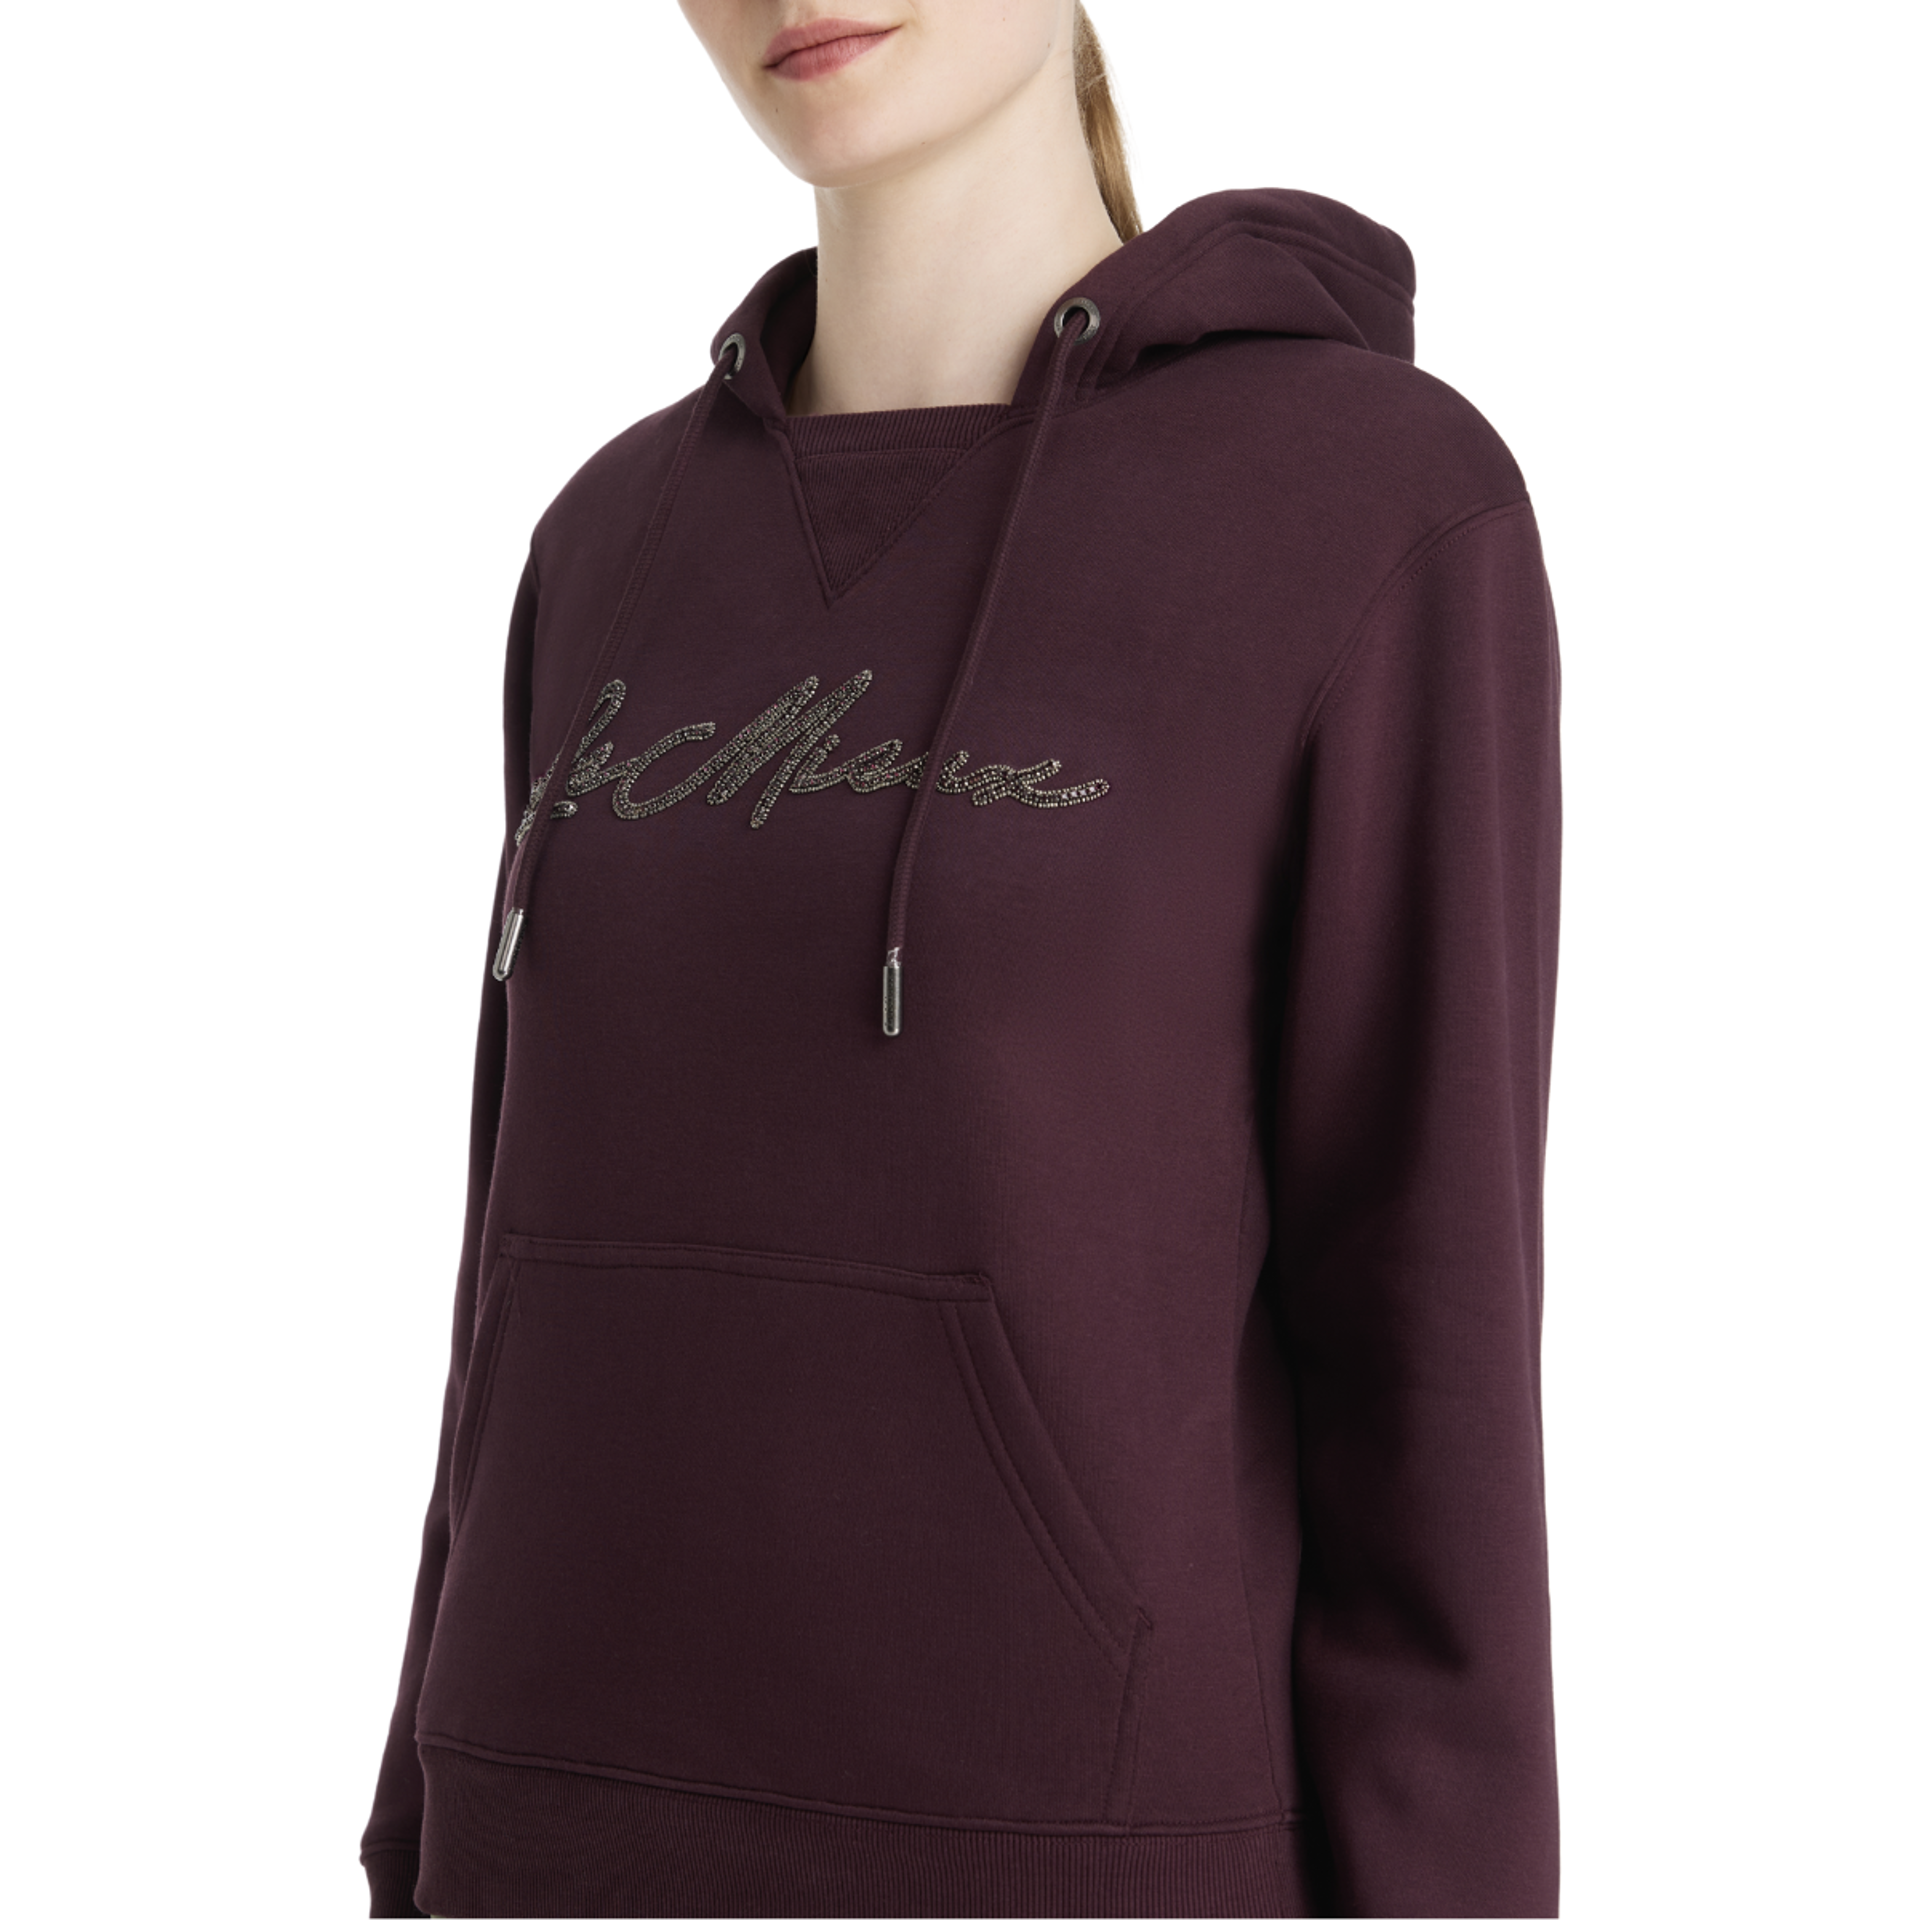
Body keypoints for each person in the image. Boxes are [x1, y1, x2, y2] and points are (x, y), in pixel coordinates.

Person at [358, 3, 1563, 1915]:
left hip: (1067, 1864)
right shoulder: (607, 539)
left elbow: (1431, 1371)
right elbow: (507, 1278)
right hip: (541, 1840)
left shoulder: (1362, 510)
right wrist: (414, 1826)